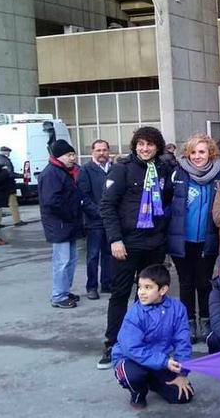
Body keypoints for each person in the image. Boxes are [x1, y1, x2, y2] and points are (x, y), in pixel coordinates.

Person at [99, 127, 174, 369]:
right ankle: (113, 343)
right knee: (120, 293)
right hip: (127, 244)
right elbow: (107, 206)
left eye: (150, 144)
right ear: (135, 146)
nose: (145, 148)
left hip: (154, 243)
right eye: (141, 144)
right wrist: (115, 239)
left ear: (158, 147)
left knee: (149, 296)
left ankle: (144, 340)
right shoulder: (122, 169)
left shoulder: (163, 169)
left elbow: (168, 200)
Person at [167, 134, 220, 344]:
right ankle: (188, 322)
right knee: (185, 282)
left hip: (207, 239)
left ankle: (206, 319)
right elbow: (166, 202)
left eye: (202, 151)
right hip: (182, 240)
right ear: (187, 154)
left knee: (204, 282)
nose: (197, 156)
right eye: (193, 152)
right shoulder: (178, 173)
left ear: (210, 152)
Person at [111, 264, 193, 409]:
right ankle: (138, 393)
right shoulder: (135, 313)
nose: (141, 292)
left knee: (183, 395)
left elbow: (183, 341)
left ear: (163, 290)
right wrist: (164, 362)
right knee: (134, 376)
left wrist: (182, 373)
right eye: (140, 287)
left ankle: (151, 381)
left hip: (160, 360)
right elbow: (132, 348)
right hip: (130, 359)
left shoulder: (177, 308)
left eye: (148, 287)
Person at [38, 140, 83, 309]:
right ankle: (58, 295)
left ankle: (64, 290)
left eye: (73, 154)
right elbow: (51, 202)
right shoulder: (52, 173)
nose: (73, 158)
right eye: (69, 155)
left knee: (71, 259)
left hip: (67, 224)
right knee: (62, 261)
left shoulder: (63, 171)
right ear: (59, 156)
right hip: (60, 224)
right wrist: (70, 214)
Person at [78, 139, 112, 300]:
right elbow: (83, 195)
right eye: (98, 150)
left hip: (111, 220)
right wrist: (99, 212)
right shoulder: (85, 170)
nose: (101, 153)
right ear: (92, 152)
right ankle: (91, 286)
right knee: (92, 255)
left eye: (104, 150)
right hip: (94, 220)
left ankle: (107, 283)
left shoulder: (114, 168)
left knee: (109, 253)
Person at [0, 146, 25, 227]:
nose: (9, 154)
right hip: (8, 185)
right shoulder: (5, 161)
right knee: (13, 204)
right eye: (8, 152)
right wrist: (22, 175)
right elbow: (10, 174)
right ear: (5, 152)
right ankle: (16, 221)